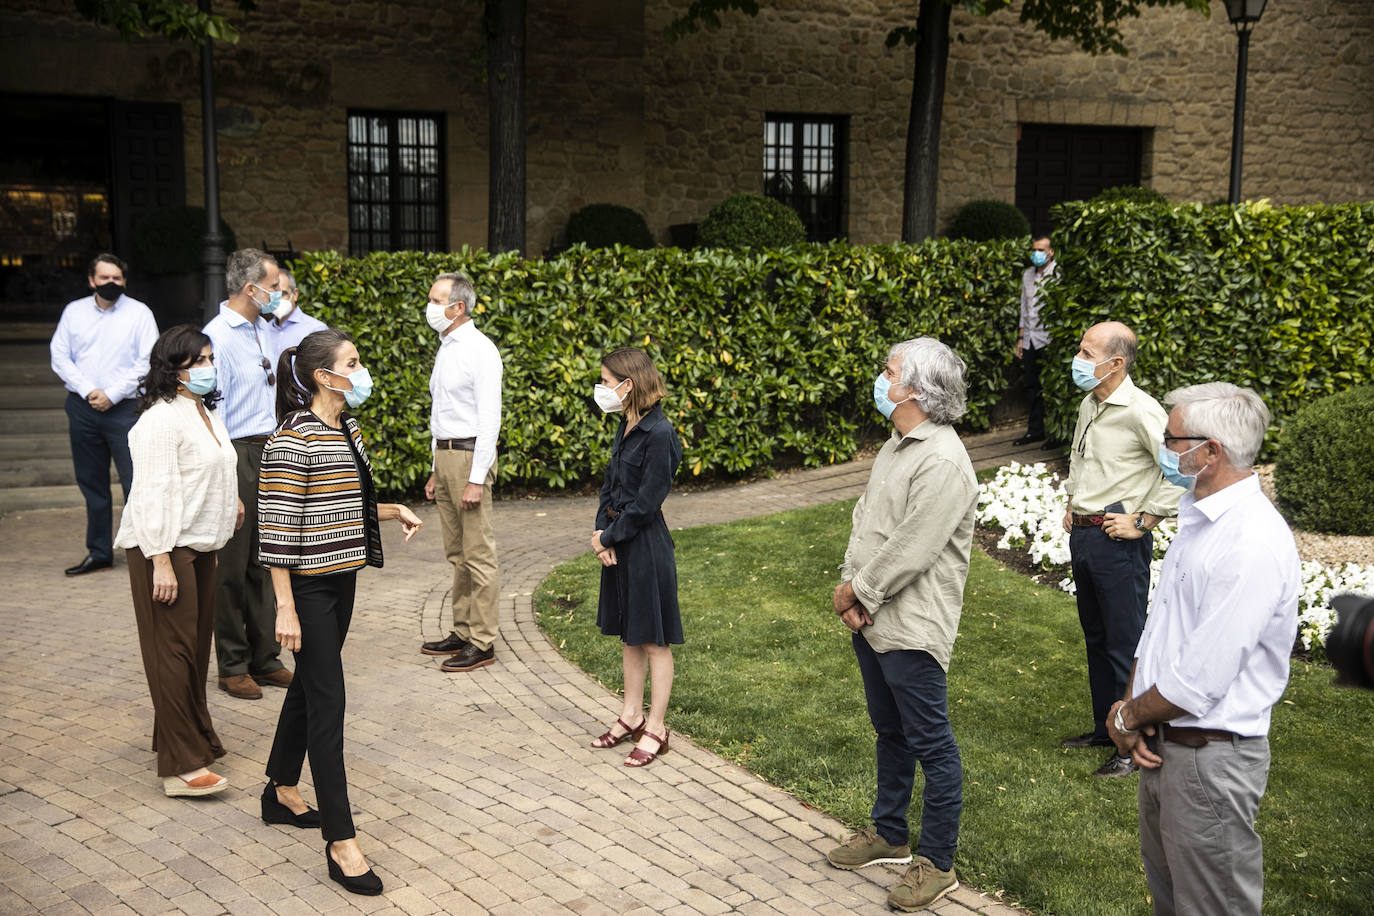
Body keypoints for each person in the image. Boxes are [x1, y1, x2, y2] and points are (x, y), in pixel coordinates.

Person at [1108, 383, 1298, 916]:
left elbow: (1200, 678)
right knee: (1171, 903)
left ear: (1210, 451)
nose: (1163, 448)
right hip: (1165, 745)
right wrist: (1133, 709)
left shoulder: (1251, 541)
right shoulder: (1199, 515)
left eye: (1171, 439)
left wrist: (1125, 718)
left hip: (1210, 762)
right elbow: (1161, 628)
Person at [258, 328, 422, 896]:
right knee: (330, 699)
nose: (363, 369)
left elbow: (341, 500)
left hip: (343, 579)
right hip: (306, 590)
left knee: (309, 686)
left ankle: (280, 788)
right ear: (325, 377)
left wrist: (391, 508)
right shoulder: (291, 440)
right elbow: (276, 531)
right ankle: (341, 840)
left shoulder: (346, 427)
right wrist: (285, 608)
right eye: (354, 362)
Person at [825, 337, 977, 913]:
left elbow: (913, 548)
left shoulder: (942, 460)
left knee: (931, 744)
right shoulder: (898, 445)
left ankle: (937, 864)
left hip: (912, 626)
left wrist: (857, 592)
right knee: (890, 732)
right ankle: (889, 833)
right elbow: (868, 525)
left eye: (887, 371)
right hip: (872, 618)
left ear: (914, 388)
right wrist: (852, 593)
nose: (879, 377)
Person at [114, 325, 241, 797]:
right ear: (174, 369)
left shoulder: (201, 409)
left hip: (200, 542)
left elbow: (213, 467)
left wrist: (234, 503)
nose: (209, 368)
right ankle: (180, 767)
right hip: (164, 546)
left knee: (193, 650)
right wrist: (161, 561)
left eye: (210, 358)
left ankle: (189, 735)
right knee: (174, 652)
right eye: (199, 361)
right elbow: (153, 493)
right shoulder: (158, 422)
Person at [1061, 321, 1184, 777]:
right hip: (1086, 535)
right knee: (1096, 636)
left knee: (1124, 643)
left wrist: (1146, 518)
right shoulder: (1089, 403)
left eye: (1086, 352)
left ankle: (1131, 743)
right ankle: (1103, 727)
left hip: (1118, 541)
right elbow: (1080, 457)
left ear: (1115, 362)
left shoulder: (1141, 410)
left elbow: (1179, 471)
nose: (1078, 359)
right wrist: (1072, 499)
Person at [586, 348, 683, 767]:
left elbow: (646, 503)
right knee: (630, 633)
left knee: (654, 639)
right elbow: (610, 486)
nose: (601, 389)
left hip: (645, 545)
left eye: (606, 381)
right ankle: (631, 714)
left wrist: (611, 535)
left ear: (628, 383)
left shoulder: (661, 434)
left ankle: (657, 727)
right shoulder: (627, 423)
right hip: (619, 541)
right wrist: (601, 535)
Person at [203, 248, 291, 700]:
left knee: (267, 559)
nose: (280, 294)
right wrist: (224, 478)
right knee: (232, 565)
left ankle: (266, 657)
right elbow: (210, 411)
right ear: (250, 288)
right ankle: (232, 664)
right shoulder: (216, 336)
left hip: (268, 449)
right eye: (274, 287)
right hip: (236, 452)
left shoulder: (260, 329)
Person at [50, 253, 158, 575]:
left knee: (134, 482)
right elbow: (60, 356)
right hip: (83, 408)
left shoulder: (140, 313)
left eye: (117, 278)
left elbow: (147, 361)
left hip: (125, 409)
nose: (111, 283)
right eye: (104, 278)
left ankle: (144, 551)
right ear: (91, 280)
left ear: (124, 280)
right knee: (91, 483)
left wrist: (111, 394)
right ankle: (99, 552)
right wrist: (89, 391)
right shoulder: (74, 312)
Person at [418, 272, 505, 673]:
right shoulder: (446, 347)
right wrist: (436, 468)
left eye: (437, 301)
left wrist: (475, 477)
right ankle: (463, 629)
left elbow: (489, 420)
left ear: (458, 308)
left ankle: (483, 642)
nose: (430, 307)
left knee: (478, 553)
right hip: (447, 456)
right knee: (457, 554)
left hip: (471, 458)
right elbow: (443, 415)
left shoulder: (479, 349)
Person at [1012, 235, 1057, 448]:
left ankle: (1056, 435)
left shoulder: (1058, 275)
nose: (1036, 254)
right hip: (1030, 340)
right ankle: (1035, 431)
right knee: (1032, 386)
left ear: (1051, 252)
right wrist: (1021, 339)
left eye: (1041, 250)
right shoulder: (1027, 275)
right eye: (1034, 249)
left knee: (1051, 388)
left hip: (1048, 340)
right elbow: (1024, 309)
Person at [265, 267, 327, 361]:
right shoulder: (264, 330)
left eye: (282, 294)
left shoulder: (315, 329)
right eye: (273, 295)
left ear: (295, 294)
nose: (277, 300)